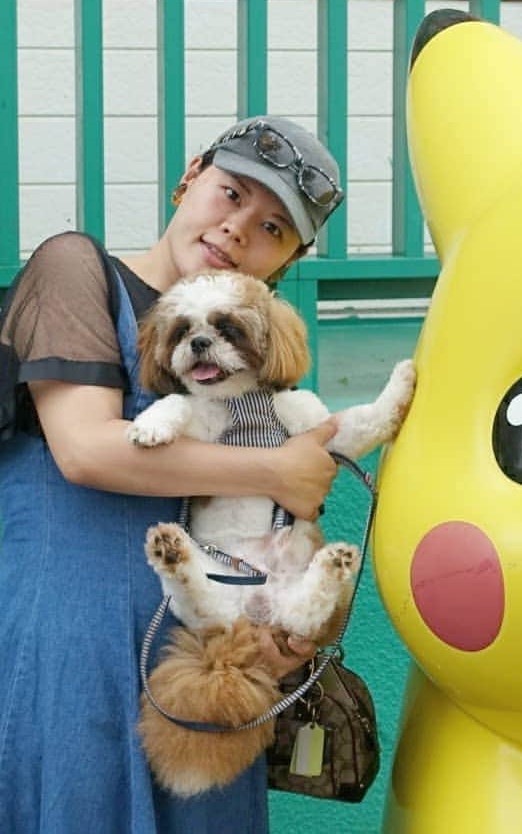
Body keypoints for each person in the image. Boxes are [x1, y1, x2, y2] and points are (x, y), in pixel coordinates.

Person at [0, 116, 348, 833]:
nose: (239, 228)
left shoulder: (252, 358)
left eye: (274, 228)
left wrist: (291, 624)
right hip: (74, 637)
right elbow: (86, 449)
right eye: (230, 193)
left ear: (282, 264)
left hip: (202, 653)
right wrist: (280, 469)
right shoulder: (75, 269)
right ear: (187, 179)